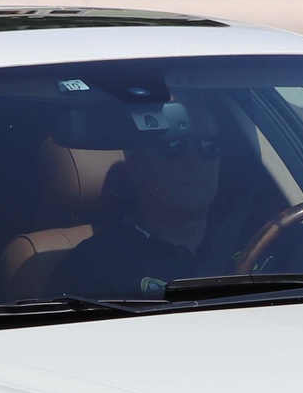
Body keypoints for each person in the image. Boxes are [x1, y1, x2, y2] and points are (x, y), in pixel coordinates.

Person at [51, 100, 256, 299]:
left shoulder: (248, 239)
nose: (194, 162)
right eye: (173, 147)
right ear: (136, 168)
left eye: (208, 146)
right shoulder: (94, 266)